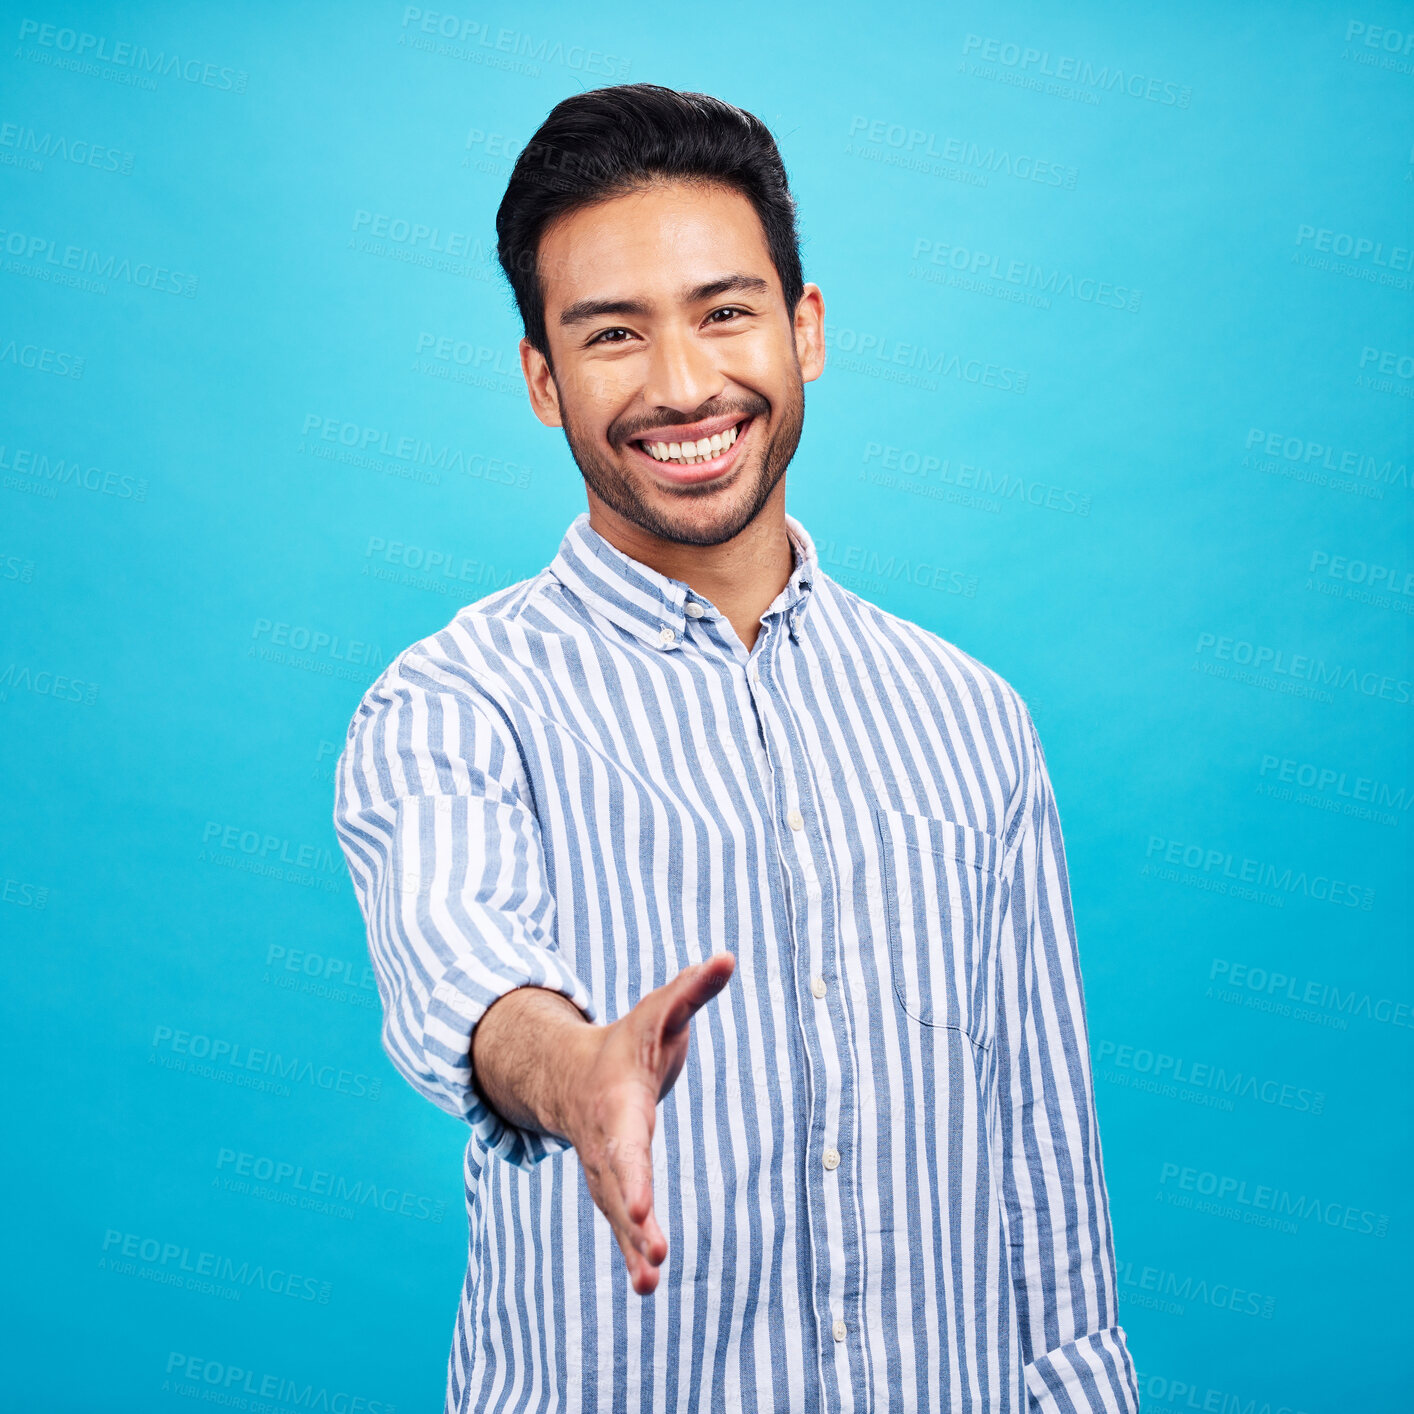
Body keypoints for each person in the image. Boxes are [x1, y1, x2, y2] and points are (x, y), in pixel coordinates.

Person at [334, 82, 1138, 1414]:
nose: (684, 384)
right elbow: (463, 972)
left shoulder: (971, 717)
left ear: (802, 326)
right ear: (541, 377)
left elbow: (1046, 1193)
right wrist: (575, 1071)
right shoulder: (450, 704)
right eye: (609, 334)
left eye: (724, 311)